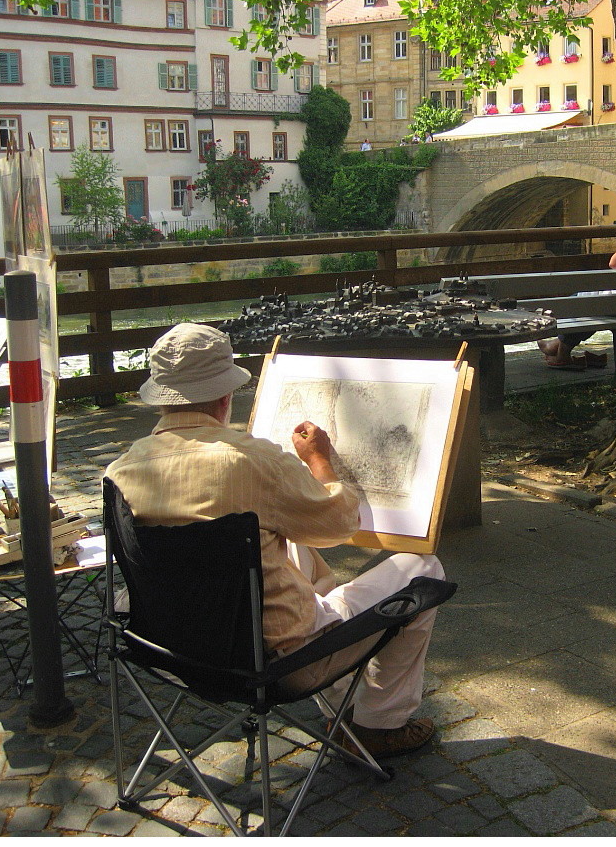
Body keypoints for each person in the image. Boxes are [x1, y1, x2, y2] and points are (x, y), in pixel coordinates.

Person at [106, 323, 445, 758]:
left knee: (289, 542)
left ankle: (342, 689)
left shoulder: (120, 471)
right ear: (226, 396)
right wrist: (320, 461)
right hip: (275, 665)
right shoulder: (252, 460)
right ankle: (377, 728)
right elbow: (339, 525)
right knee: (424, 569)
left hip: (174, 650)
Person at [537, 234, 616, 370]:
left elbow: (615, 263)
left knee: (584, 304)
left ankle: (559, 350)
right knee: (590, 307)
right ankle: (558, 346)